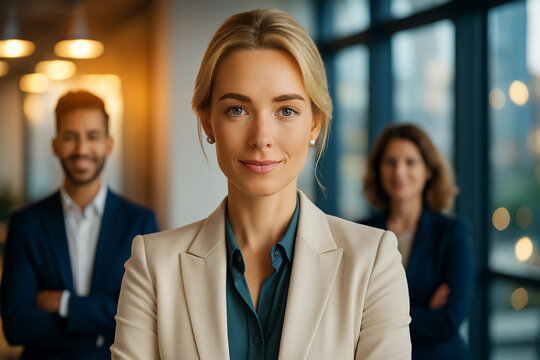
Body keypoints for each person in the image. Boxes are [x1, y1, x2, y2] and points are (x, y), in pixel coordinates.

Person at [112, 8, 411, 360]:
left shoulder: (372, 262)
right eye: (237, 110)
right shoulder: (153, 265)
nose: (261, 138)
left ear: (314, 124)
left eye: (286, 111)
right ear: (207, 121)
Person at [0, 90, 159, 359]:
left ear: (108, 144)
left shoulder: (140, 221)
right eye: (70, 137)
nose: (81, 149)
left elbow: (147, 315)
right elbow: (17, 325)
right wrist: (101, 321)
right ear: (55, 145)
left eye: (92, 136)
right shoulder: (26, 223)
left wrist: (64, 304)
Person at [360, 123, 474, 360]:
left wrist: (377, 318)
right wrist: (422, 312)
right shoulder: (361, 232)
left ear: (428, 170)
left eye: (410, 162)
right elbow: (350, 314)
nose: (399, 171)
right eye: (390, 162)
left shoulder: (452, 232)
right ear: (379, 170)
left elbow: (449, 319)